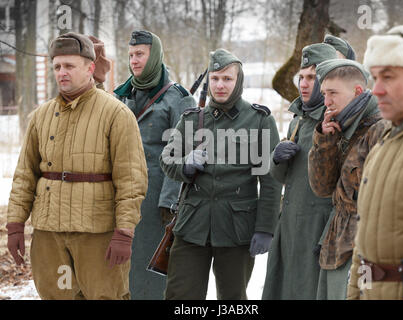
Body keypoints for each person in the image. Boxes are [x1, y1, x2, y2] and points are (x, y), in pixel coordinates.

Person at [6, 32, 148, 300]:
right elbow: (24, 176)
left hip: (97, 234)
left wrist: (124, 232)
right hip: (50, 234)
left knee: (105, 296)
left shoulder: (116, 114)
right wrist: (15, 224)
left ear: (90, 68)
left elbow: (131, 180)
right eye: (57, 67)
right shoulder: (40, 116)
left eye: (69, 66)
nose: (62, 73)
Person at [159, 48, 281, 300]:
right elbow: (166, 159)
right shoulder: (193, 119)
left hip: (237, 230)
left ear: (238, 82)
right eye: (214, 79)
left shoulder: (258, 120)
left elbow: (269, 181)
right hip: (192, 225)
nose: (220, 85)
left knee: (233, 299)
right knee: (180, 297)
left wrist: (266, 228)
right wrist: (185, 164)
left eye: (227, 79)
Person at [347, 24, 403, 300]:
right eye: (374, 78)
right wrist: (354, 295)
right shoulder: (384, 142)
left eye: (388, 77)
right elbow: (364, 244)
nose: (376, 90)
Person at [114, 30, 196, 300]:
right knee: (119, 268)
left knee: (150, 271)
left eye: (140, 54)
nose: (134, 60)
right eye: (130, 55)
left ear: (155, 56)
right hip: (120, 195)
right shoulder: (120, 96)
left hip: (156, 199)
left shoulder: (177, 98)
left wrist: (170, 202)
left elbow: (182, 153)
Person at [262, 43, 337, 300]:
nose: (304, 84)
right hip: (290, 228)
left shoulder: (335, 122)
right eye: (301, 77)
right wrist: (277, 159)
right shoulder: (297, 121)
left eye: (312, 78)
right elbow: (284, 179)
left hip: (317, 230)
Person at [308, 59, 385, 299]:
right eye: (323, 93)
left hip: (363, 249)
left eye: (333, 93)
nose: (326, 101)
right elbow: (322, 188)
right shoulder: (340, 126)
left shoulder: (379, 129)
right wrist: (324, 141)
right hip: (337, 245)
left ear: (357, 92)